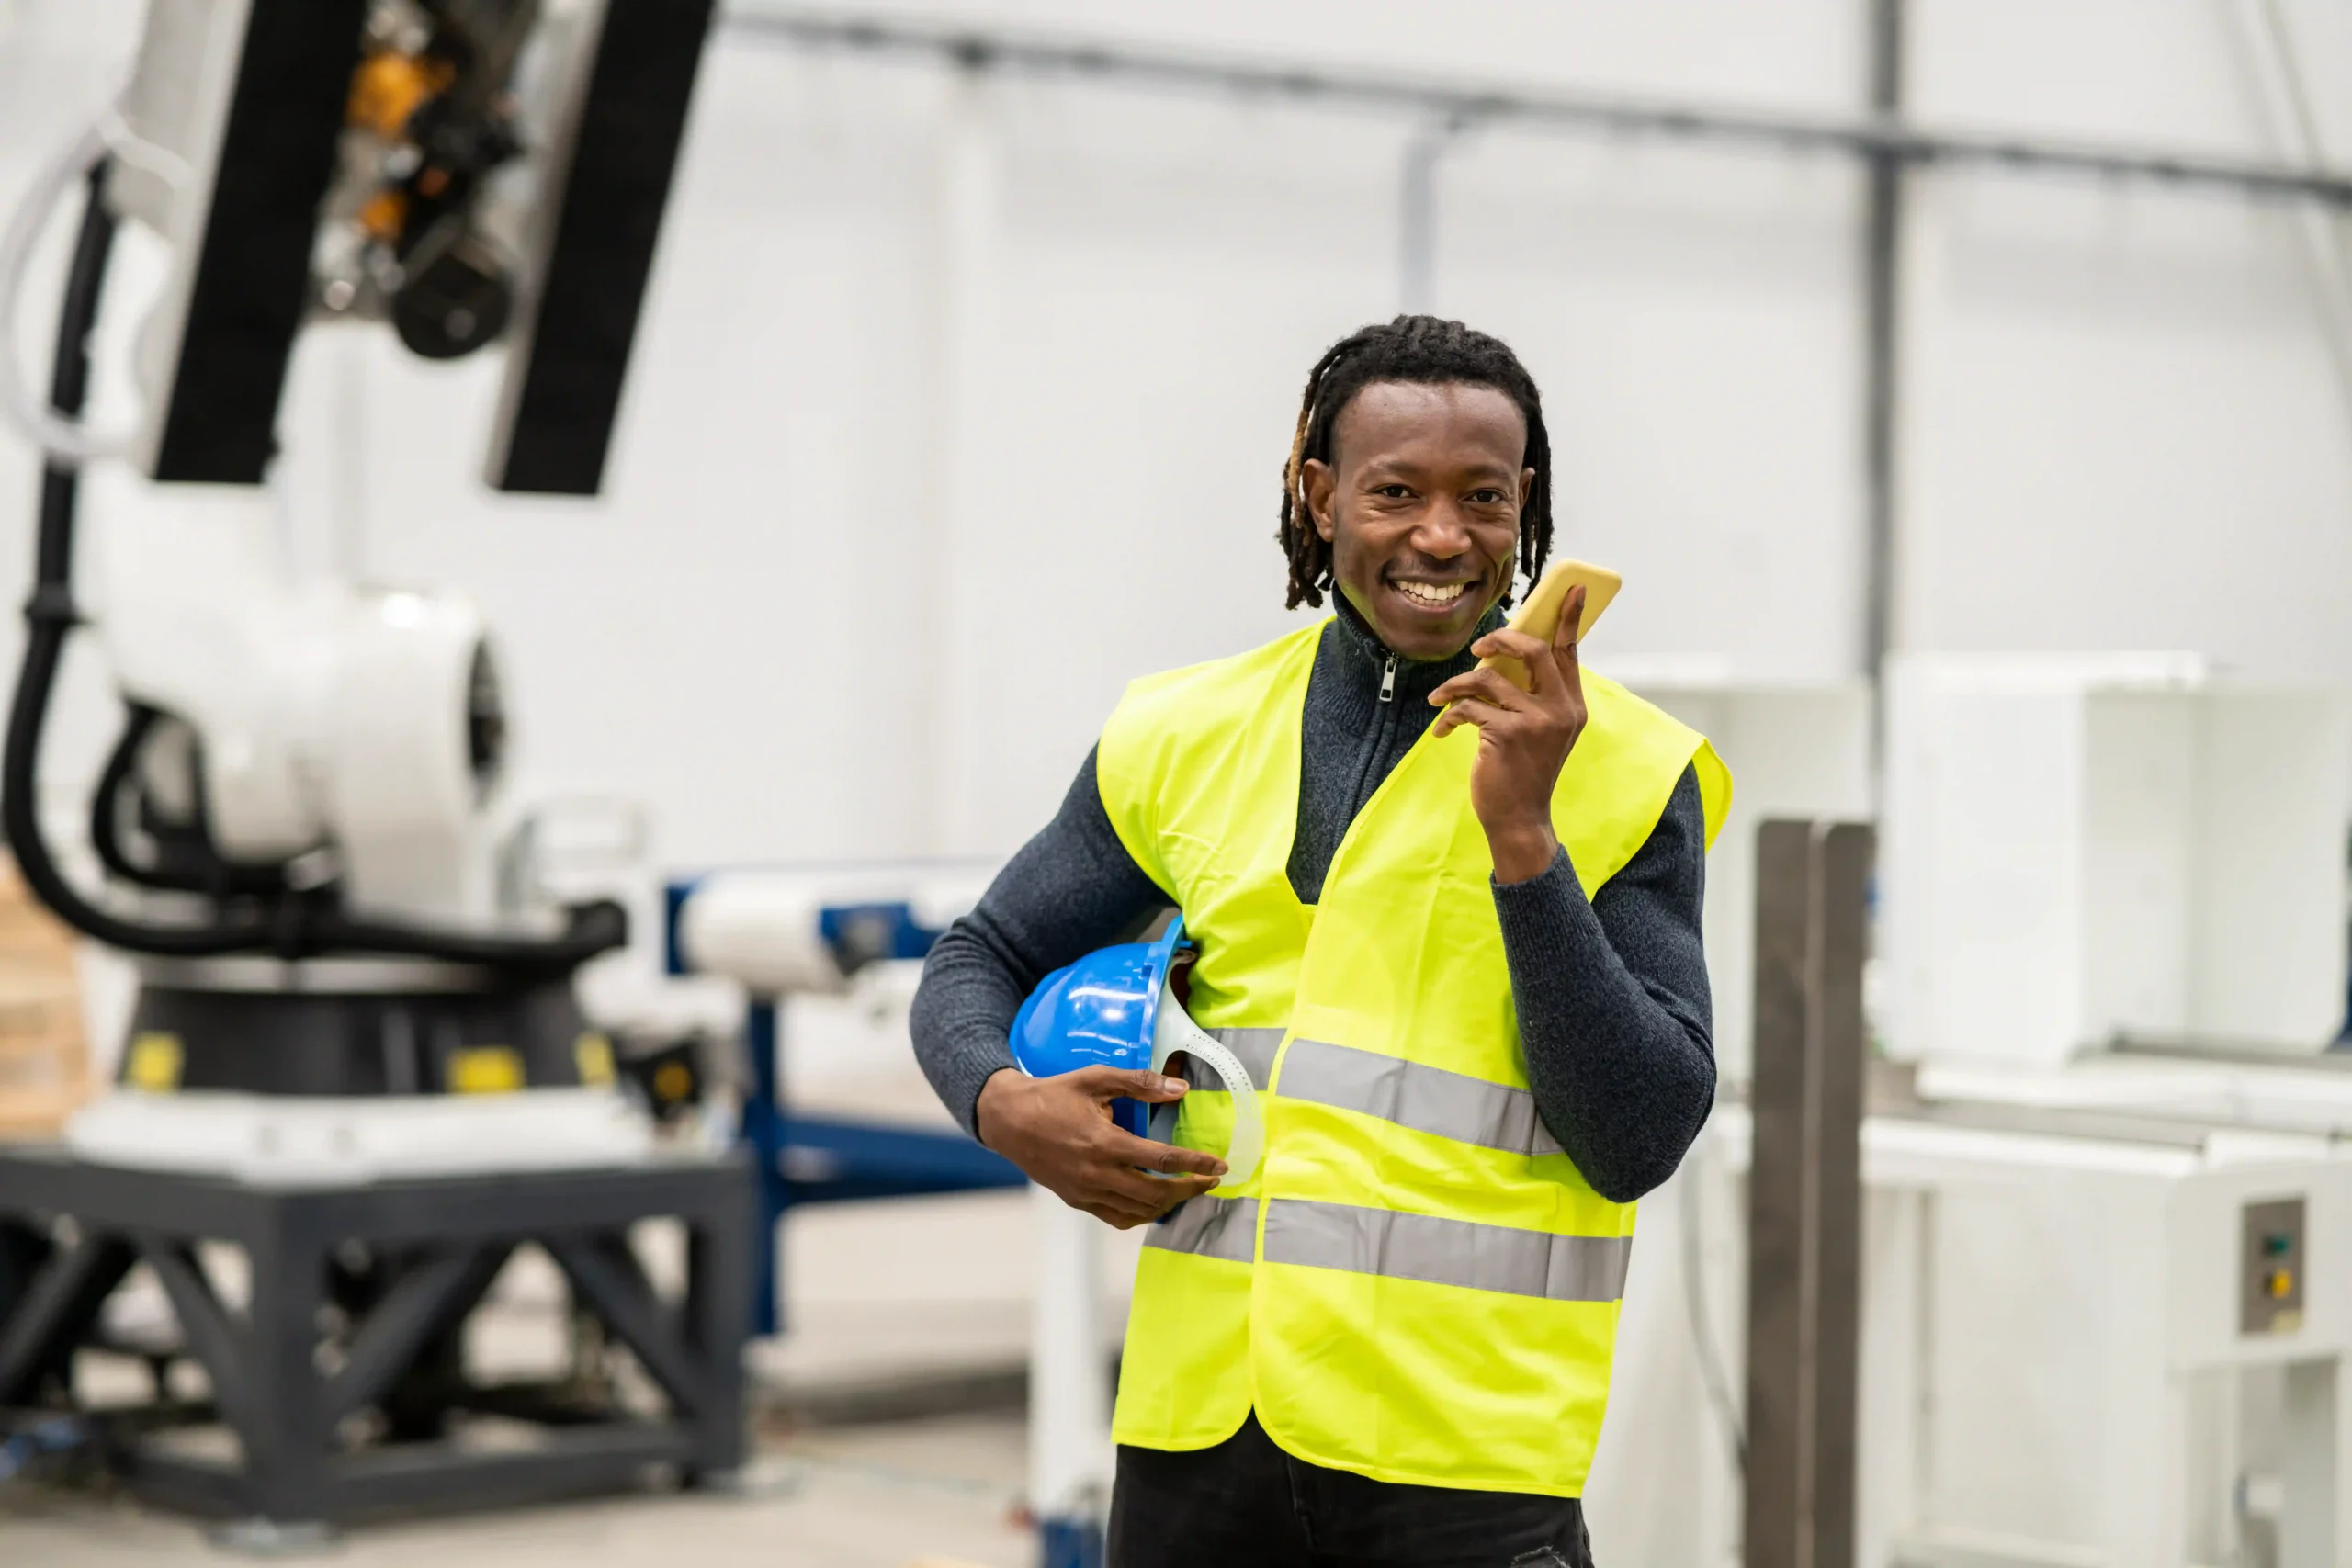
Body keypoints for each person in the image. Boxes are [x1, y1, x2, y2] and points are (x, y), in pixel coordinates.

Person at [911, 315, 1728, 1568]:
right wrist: (1004, 1103)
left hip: (1464, 1464)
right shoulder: (1185, 732)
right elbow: (978, 957)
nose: (1442, 537)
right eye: (1396, 491)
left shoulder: (1622, 769)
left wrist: (1523, 832)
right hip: (1196, 1444)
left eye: (1486, 498)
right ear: (1320, 496)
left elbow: (1637, 1132)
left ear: (1529, 511)